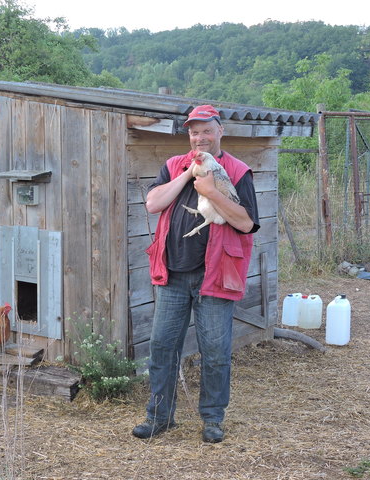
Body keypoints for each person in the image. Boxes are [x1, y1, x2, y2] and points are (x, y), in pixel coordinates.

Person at [132, 104, 260, 443]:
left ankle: (212, 420)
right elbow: (153, 203)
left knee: (215, 351)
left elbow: (246, 223)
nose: (199, 137)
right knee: (161, 347)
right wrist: (189, 174)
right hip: (173, 273)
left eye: (206, 130)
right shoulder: (175, 165)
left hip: (216, 274)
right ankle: (159, 417)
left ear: (220, 131)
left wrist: (212, 191)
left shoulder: (237, 170)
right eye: (193, 131)